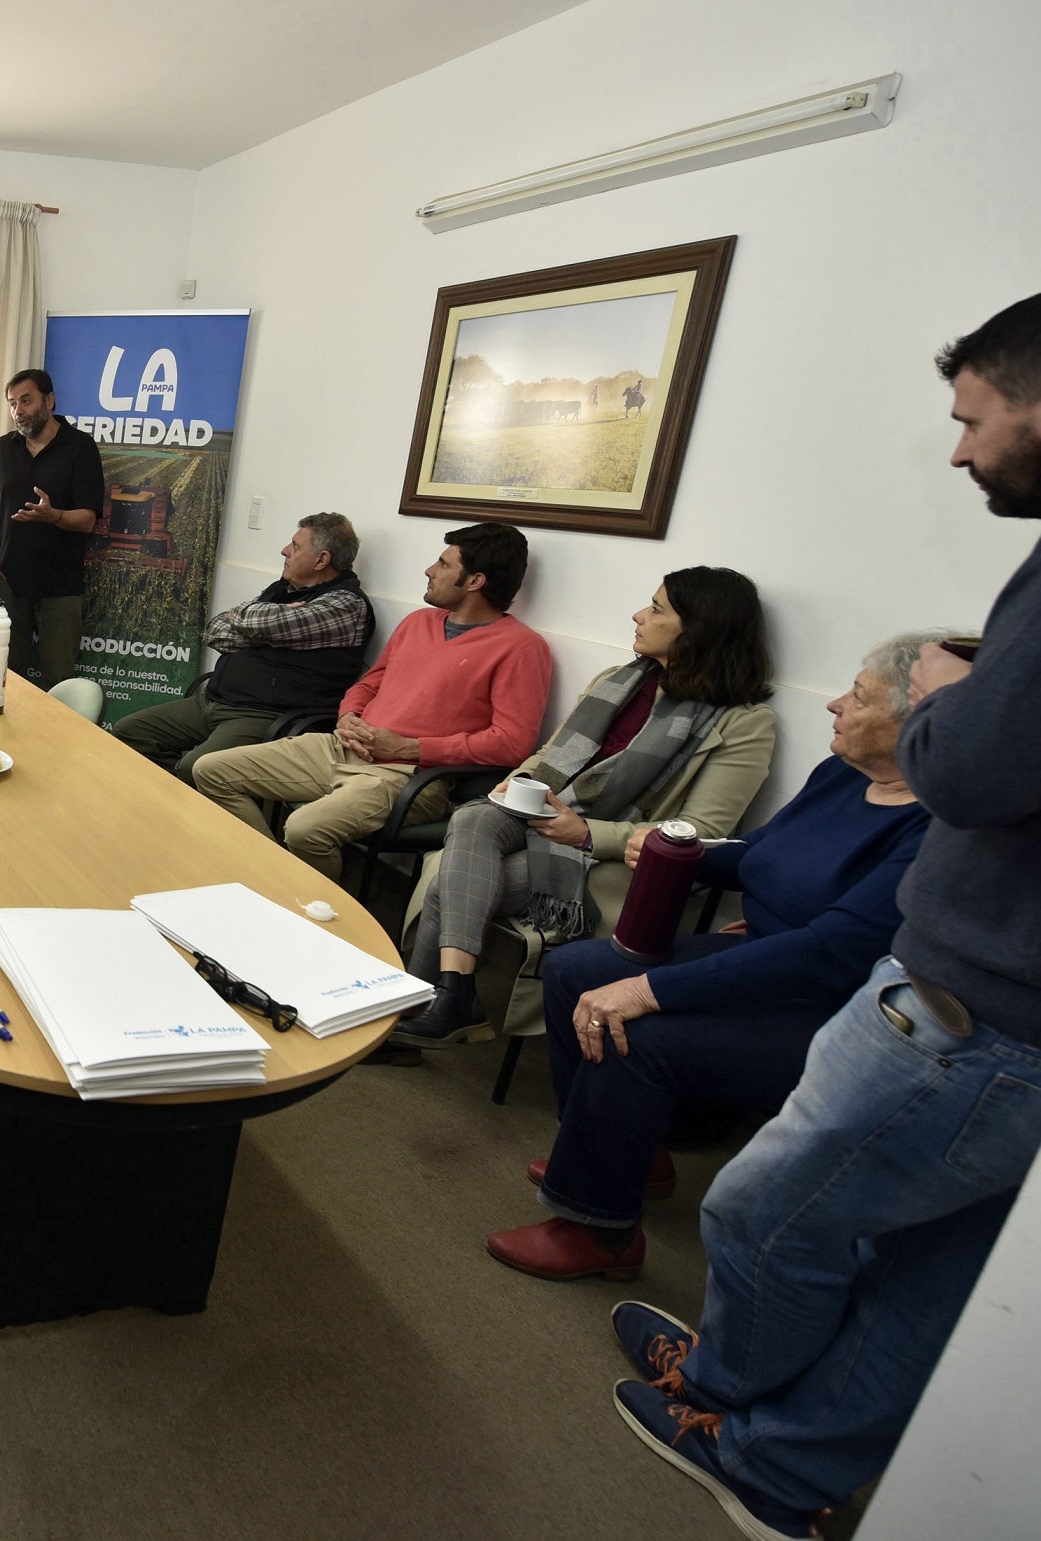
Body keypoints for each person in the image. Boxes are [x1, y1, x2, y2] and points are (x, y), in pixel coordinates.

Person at [610, 296, 1041, 1540]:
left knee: (763, 1210)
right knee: (922, 1272)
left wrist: (938, 710)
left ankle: (723, 1402)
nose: (957, 451)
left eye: (972, 419)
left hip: (966, 1012)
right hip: (1009, 1016)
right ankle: (786, 1468)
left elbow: (976, 766)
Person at [482, 633, 936, 1283]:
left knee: (632, 1026)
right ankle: (622, 1153)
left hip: (828, 1005)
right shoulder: (844, 773)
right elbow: (757, 853)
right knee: (573, 970)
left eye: (859, 696)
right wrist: (676, 849)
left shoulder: (931, 828)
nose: (835, 704)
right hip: (762, 954)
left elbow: (830, 952)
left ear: (916, 722)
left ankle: (600, 1231)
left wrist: (649, 990)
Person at [392, 568, 778, 1047]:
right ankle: (454, 1000)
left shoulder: (745, 724)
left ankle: (428, 1009)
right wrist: (517, 784)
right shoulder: (616, 681)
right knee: (473, 817)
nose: (639, 616)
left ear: (699, 629)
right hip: (542, 818)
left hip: (612, 859)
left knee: (449, 881)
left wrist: (588, 833)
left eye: (657, 609)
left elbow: (699, 831)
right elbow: (547, 758)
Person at [190, 524, 552, 878]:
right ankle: (272, 881)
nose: (429, 570)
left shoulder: (521, 648)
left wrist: (412, 748)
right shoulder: (418, 622)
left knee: (304, 829)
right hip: (342, 747)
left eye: (443, 564)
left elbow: (512, 743)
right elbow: (369, 684)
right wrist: (347, 716)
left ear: (475, 582)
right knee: (211, 770)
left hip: (409, 777)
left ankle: (322, 918)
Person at [110, 513, 372, 783]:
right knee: (129, 732)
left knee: (195, 767)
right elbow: (213, 630)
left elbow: (261, 623)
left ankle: (189, 808)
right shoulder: (283, 590)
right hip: (213, 701)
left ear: (321, 560)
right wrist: (261, 626)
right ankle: (171, 797)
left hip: (266, 715)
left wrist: (258, 623)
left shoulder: (345, 605)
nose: (285, 551)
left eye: (295, 546)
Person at [0, 367, 105, 686]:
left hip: (60, 589)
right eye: (12, 403)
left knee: (59, 681)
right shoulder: (1, 449)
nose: (18, 410)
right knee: (0, 677)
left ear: (50, 400)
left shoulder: (80, 448)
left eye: (26, 400)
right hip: (8, 584)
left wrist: (53, 515)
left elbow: (87, 519)